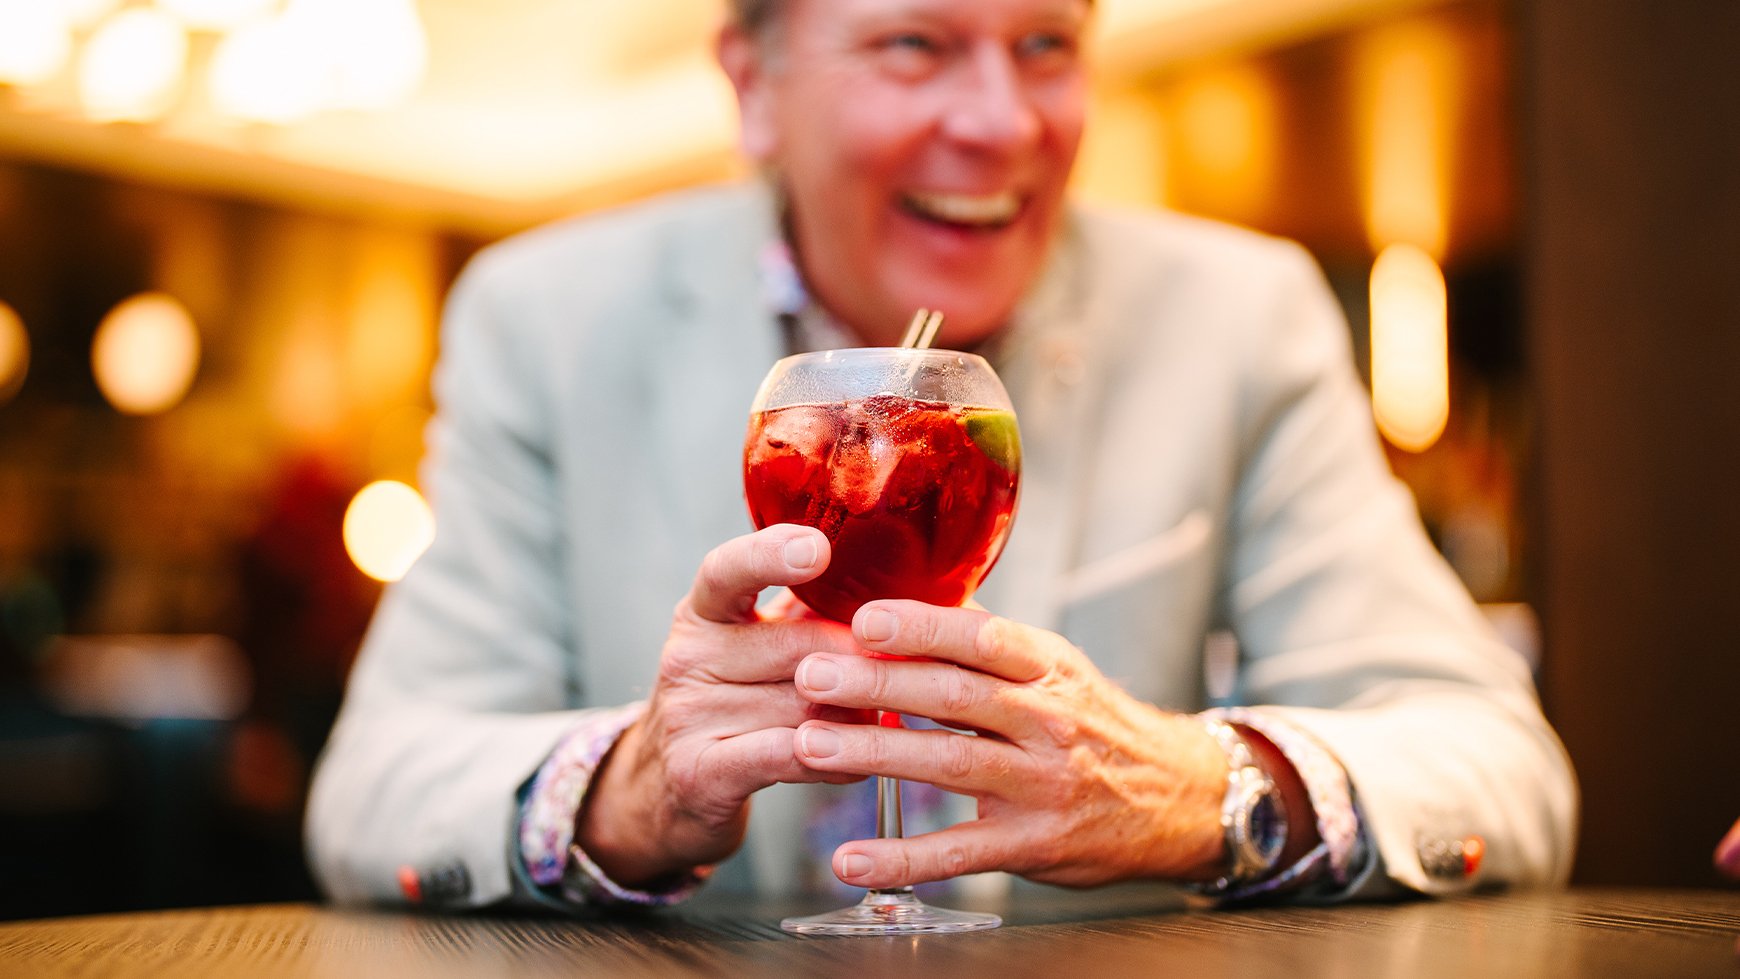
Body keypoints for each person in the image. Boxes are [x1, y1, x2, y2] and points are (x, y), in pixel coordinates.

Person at [305, 0, 1576, 911]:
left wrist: (1199, 788)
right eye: (915, 44)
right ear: (751, 81)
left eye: (1047, 47)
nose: (1000, 121)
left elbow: (1498, 763)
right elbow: (376, 788)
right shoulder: (546, 316)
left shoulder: (1240, 316)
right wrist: (636, 789)